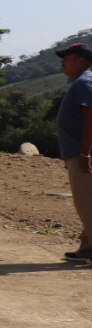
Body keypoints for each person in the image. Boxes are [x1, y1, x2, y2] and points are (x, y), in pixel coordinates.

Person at [56, 42, 92, 263]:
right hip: (78, 152)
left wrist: (84, 153)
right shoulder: (81, 82)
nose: (63, 63)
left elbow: (90, 116)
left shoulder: (84, 83)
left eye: (67, 59)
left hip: (83, 154)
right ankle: (87, 250)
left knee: (86, 203)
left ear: (81, 60)